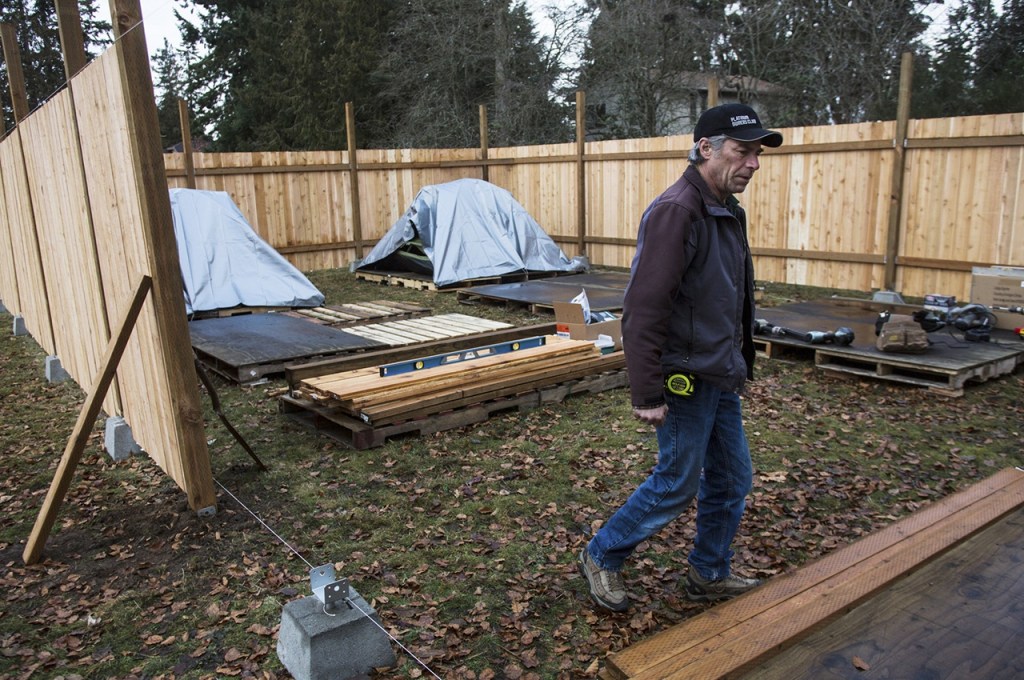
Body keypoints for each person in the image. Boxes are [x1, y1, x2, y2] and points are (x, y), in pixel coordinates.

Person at [578, 103, 783, 612]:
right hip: (684, 377)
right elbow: (644, 308)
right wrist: (647, 390)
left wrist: (739, 363)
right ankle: (602, 554)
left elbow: (728, 298)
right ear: (705, 149)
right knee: (676, 481)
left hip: (718, 373)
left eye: (757, 154)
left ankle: (709, 573)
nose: (753, 163)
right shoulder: (678, 210)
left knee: (733, 478)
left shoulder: (725, 209)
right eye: (743, 151)